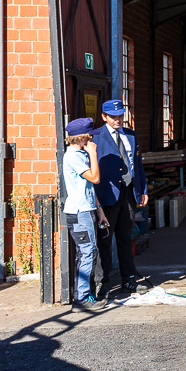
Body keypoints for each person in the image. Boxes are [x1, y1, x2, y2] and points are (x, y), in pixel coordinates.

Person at [92, 99, 147, 295]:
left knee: (125, 237)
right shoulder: (96, 136)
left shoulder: (130, 135)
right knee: (104, 240)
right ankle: (103, 283)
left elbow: (137, 164)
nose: (118, 120)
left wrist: (143, 189)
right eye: (113, 117)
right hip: (107, 195)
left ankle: (129, 279)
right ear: (104, 117)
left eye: (120, 116)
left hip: (129, 192)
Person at [61, 117, 106, 308]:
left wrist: (99, 210)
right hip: (80, 212)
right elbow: (95, 178)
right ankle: (82, 298)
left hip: (86, 209)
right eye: (89, 138)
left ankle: (84, 295)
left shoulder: (79, 155)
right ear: (82, 138)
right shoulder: (73, 156)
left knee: (87, 251)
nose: (92, 142)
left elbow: (88, 187)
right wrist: (93, 154)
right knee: (87, 252)